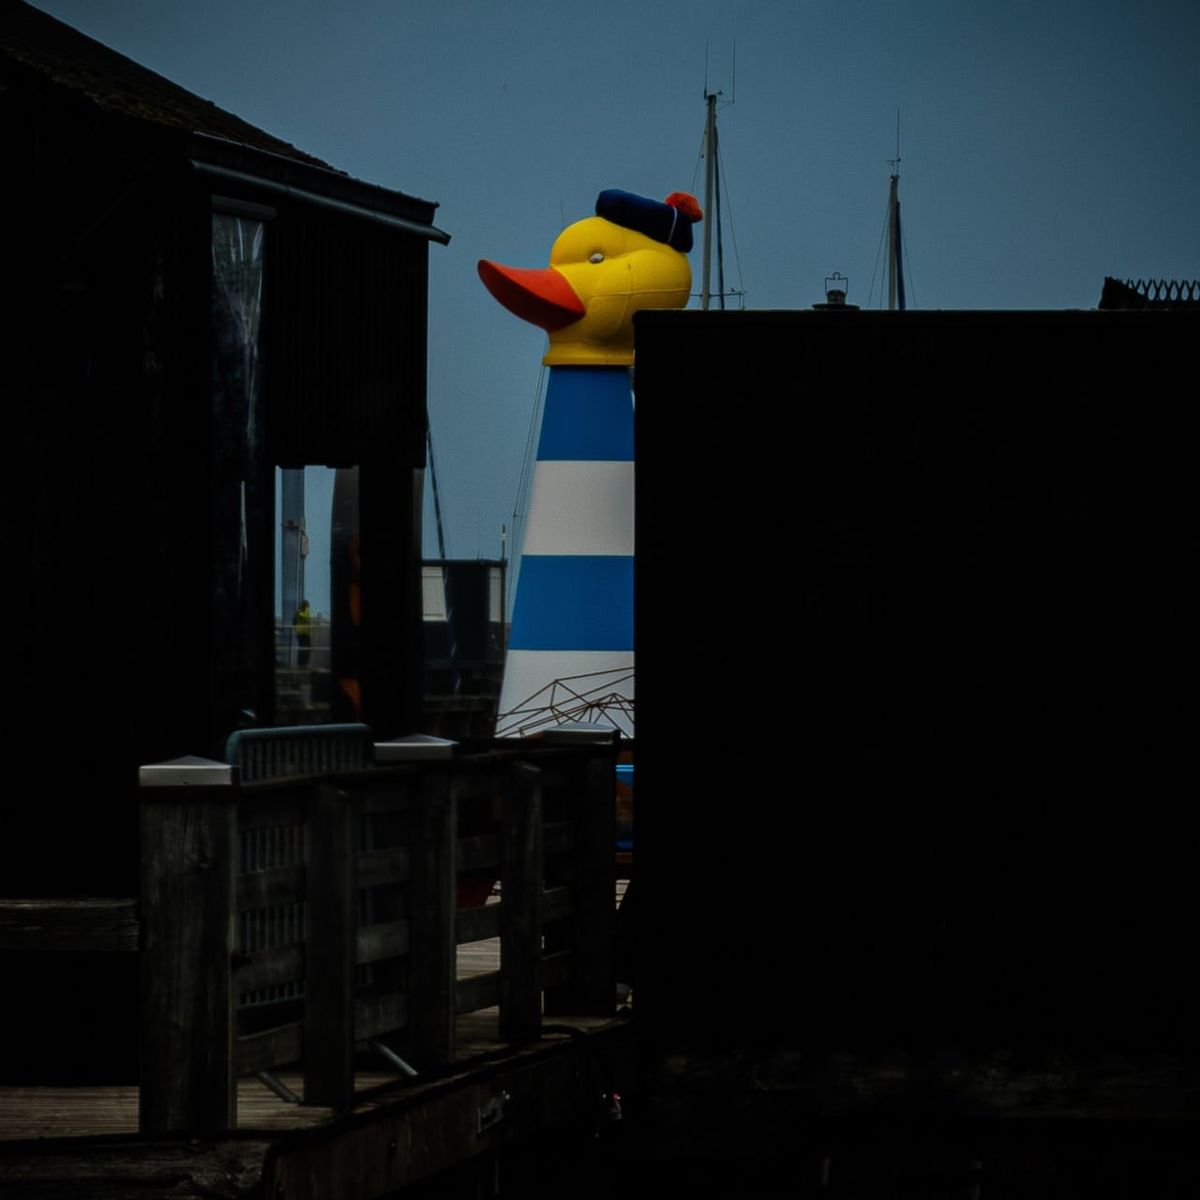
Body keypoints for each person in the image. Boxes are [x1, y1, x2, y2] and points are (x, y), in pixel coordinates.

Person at [293, 599, 312, 668]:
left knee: (302, 648)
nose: (309, 607)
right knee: (306, 648)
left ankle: (301, 663)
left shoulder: (298, 612)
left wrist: (296, 630)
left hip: (300, 633)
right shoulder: (304, 612)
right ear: (306, 605)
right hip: (305, 633)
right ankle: (303, 664)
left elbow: (294, 622)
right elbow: (305, 617)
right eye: (308, 605)